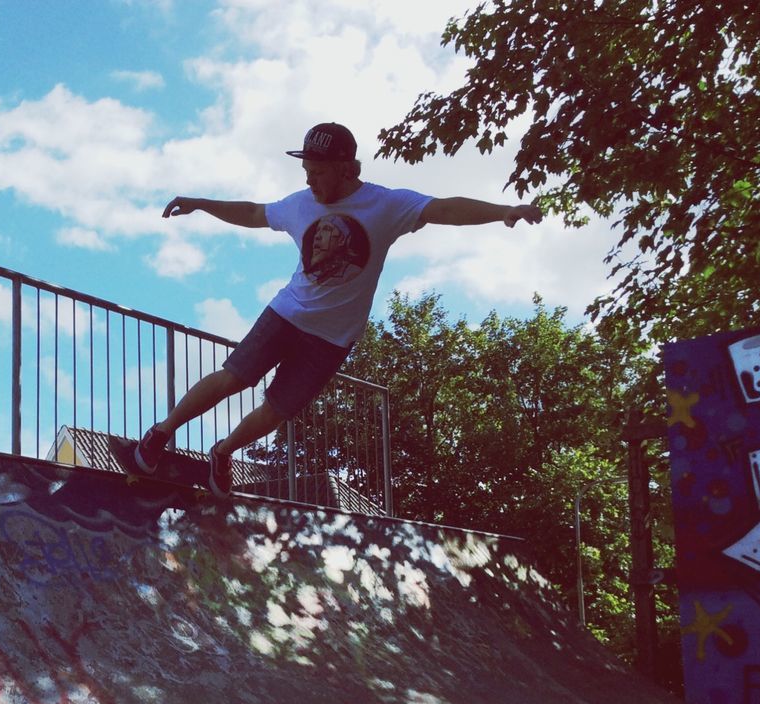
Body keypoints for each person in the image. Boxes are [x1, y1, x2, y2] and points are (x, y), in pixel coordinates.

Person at [134, 121, 542, 497]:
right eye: (307, 172)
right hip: (286, 314)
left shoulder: (385, 205)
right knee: (234, 377)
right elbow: (256, 213)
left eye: (319, 173)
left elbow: (443, 209)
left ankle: (221, 453)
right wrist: (201, 203)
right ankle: (161, 433)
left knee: (278, 410)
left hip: (331, 339)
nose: (311, 182)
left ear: (348, 168)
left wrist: (502, 212)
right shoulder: (300, 204)